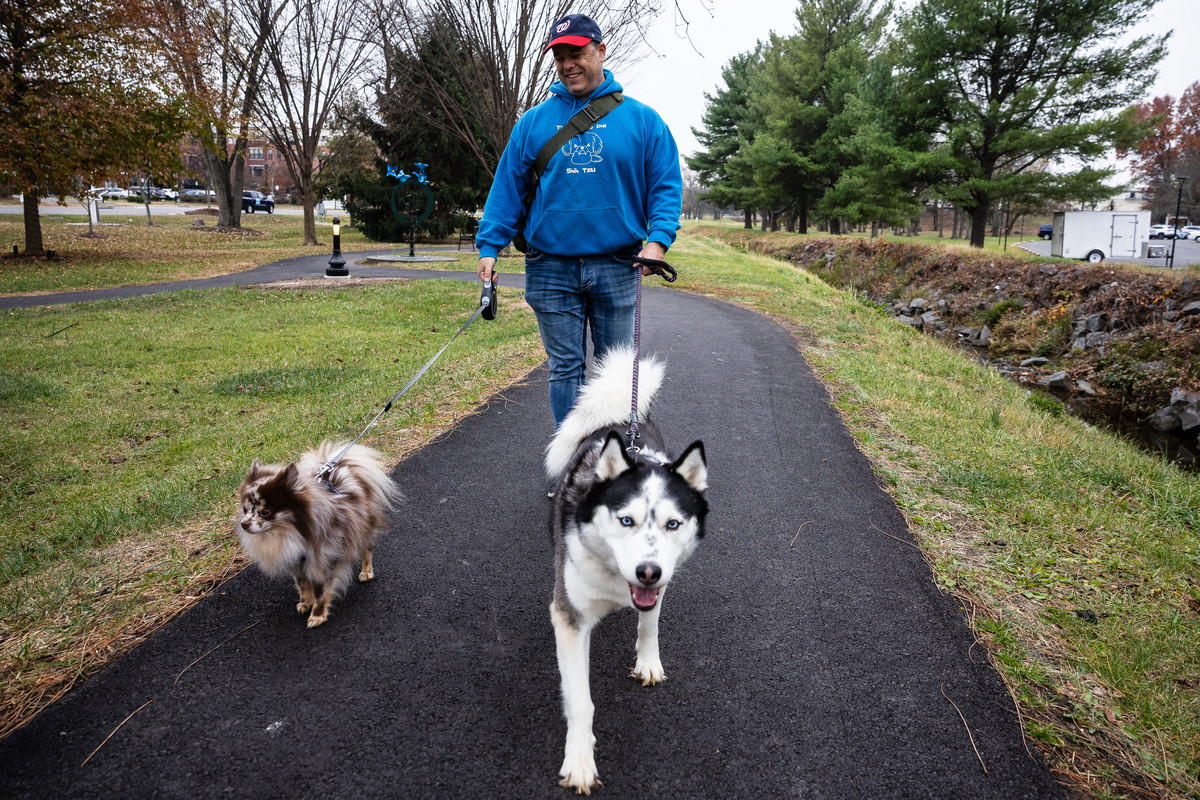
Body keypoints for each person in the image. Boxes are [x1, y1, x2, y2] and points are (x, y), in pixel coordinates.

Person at [475, 13, 682, 429]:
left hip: (618, 265)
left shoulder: (643, 121)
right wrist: (489, 248)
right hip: (550, 266)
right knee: (565, 371)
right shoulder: (532, 123)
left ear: (601, 52)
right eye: (561, 56)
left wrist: (657, 241)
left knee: (617, 374)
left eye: (578, 53)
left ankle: (619, 462)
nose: (569, 64)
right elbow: (507, 189)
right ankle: (576, 467)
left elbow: (665, 185)